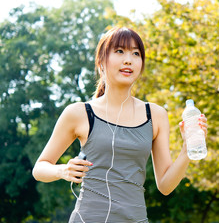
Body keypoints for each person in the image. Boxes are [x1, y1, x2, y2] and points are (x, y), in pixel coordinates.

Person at [32, 26, 208, 223]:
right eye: (119, 51)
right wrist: (62, 170)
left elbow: (165, 186)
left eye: (136, 53)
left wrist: (187, 148)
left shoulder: (156, 115)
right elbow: (39, 168)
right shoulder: (79, 113)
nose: (128, 59)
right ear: (101, 61)